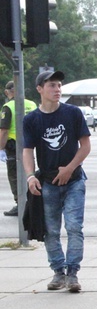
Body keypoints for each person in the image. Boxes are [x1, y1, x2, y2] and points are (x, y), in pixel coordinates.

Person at [23, 71, 90, 293]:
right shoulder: (32, 119)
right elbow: (27, 151)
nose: (57, 89)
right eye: (52, 85)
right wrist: (31, 176)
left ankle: (72, 273)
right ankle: (58, 271)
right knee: (50, 230)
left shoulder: (72, 113)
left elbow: (85, 146)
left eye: (59, 85)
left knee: (73, 226)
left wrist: (69, 168)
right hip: (48, 182)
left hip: (74, 180)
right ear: (40, 89)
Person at [0, 81, 37, 217]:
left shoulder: (8, 106)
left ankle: (20, 204)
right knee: (28, 173)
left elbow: (4, 130)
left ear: (7, 92)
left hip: (13, 146)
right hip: (28, 144)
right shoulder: (31, 104)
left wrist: (1, 148)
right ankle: (30, 202)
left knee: (14, 177)